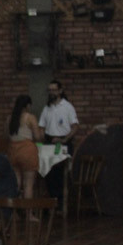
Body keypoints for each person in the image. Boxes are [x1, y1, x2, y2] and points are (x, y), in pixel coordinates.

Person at [39, 79, 79, 211]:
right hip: (49, 142)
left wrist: (64, 139)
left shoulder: (67, 107)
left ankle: (60, 202)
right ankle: (52, 200)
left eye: (54, 90)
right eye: (49, 90)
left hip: (62, 143)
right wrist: (42, 138)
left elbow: (75, 126)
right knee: (47, 171)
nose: (51, 92)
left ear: (60, 91)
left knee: (61, 172)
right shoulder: (47, 108)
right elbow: (41, 126)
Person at [7, 94, 42, 200]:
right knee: (28, 184)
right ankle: (27, 209)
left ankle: (15, 209)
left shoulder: (10, 118)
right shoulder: (30, 118)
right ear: (27, 105)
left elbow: (6, 135)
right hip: (27, 150)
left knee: (16, 183)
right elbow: (37, 137)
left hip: (12, 150)